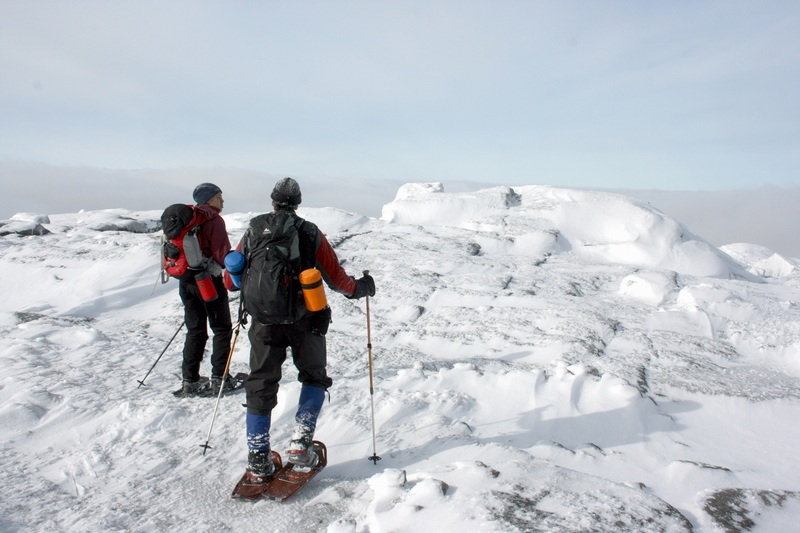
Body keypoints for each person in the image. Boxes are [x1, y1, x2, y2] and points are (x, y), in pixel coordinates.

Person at [225, 177, 375, 484]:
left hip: (263, 321)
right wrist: (361, 288)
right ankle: (301, 444)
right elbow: (337, 279)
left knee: (260, 383)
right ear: (297, 203)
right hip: (307, 319)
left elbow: (231, 281)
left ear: (272, 201)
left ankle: (258, 457)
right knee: (313, 377)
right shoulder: (309, 231)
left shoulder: (254, 230)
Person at [179, 182, 234, 395]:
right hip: (209, 282)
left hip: (186, 281)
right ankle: (220, 378)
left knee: (195, 331)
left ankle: (189, 380)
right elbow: (222, 256)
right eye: (219, 197)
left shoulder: (186, 219)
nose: (222, 201)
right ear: (208, 199)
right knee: (221, 329)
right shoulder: (214, 220)